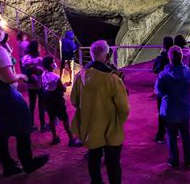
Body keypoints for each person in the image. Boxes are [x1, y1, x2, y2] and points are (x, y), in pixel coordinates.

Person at [0, 17, 48, 177]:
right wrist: (20, 76)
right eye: (0, 28)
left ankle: (8, 166)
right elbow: (8, 77)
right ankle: (28, 163)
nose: (2, 32)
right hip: (4, 93)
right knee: (23, 126)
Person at [71, 40, 129, 184]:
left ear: (91, 55)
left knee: (94, 157)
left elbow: (74, 100)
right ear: (107, 54)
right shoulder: (112, 78)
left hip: (91, 127)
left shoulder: (81, 75)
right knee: (113, 162)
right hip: (110, 128)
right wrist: (118, 122)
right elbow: (124, 108)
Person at [155, 45, 190, 168]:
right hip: (184, 108)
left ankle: (174, 159)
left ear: (169, 58)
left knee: (171, 137)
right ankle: (187, 161)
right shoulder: (188, 71)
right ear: (181, 56)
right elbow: (189, 84)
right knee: (186, 136)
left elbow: (159, 92)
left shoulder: (163, 75)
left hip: (170, 110)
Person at [41, 56, 83, 147]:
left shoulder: (43, 74)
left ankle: (55, 137)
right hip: (57, 100)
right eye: (53, 62)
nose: (54, 64)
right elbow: (63, 89)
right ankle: (71, 139)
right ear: (50, 65)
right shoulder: (55, 77)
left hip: (48, 99)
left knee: (51, 119)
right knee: (65, 119)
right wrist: (65, 84)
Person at [152, 36, 174, 143]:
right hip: (175, 88)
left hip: (163, 88)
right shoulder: (176, 55)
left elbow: (155, 70)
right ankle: (176, 131)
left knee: (162, 111)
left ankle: (161, 135)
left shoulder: (161, 57)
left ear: (164, 45)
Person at [22, 40, 46, 132]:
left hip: (30, 85)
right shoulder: (39, 59)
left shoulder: (25, 58)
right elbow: (42, 71)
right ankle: (43, 125)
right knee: (41, 105)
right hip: (39, 85)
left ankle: (31, 125)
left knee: (31, 105)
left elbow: (24, 69)